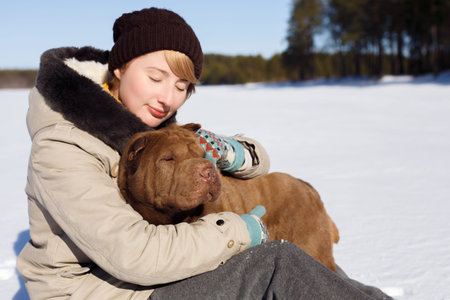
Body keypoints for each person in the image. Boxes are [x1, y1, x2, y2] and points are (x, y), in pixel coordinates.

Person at [17, 7, 391, 300]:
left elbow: (257, 158)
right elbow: (131, 254)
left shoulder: (151, 123)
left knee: (324, 275)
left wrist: (226, 152)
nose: (168, 98)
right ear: (120, 66)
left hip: (147, 276)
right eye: (155, 77)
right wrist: (238, 233)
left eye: (182, 86)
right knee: (276, 264)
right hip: (99, 291)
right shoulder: (64, 145)